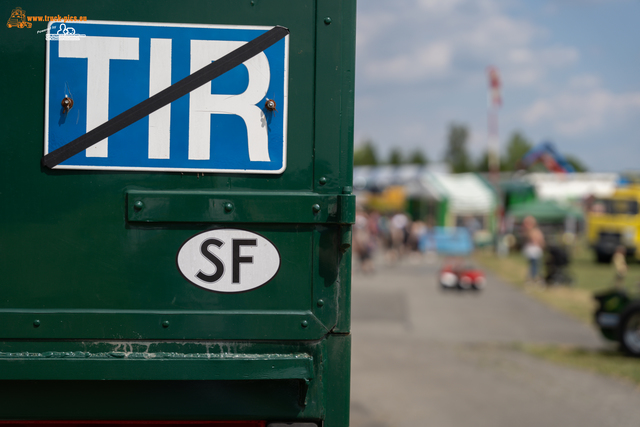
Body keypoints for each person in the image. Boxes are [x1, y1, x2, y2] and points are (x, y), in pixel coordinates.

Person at [522, 216, 544, 283]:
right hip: (532, 251)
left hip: (535, 250)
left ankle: (534, 278)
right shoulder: (529, 231)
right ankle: (533, 278)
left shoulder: (534, 231)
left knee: (535, 265)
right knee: (533, 265)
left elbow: (540, 241)